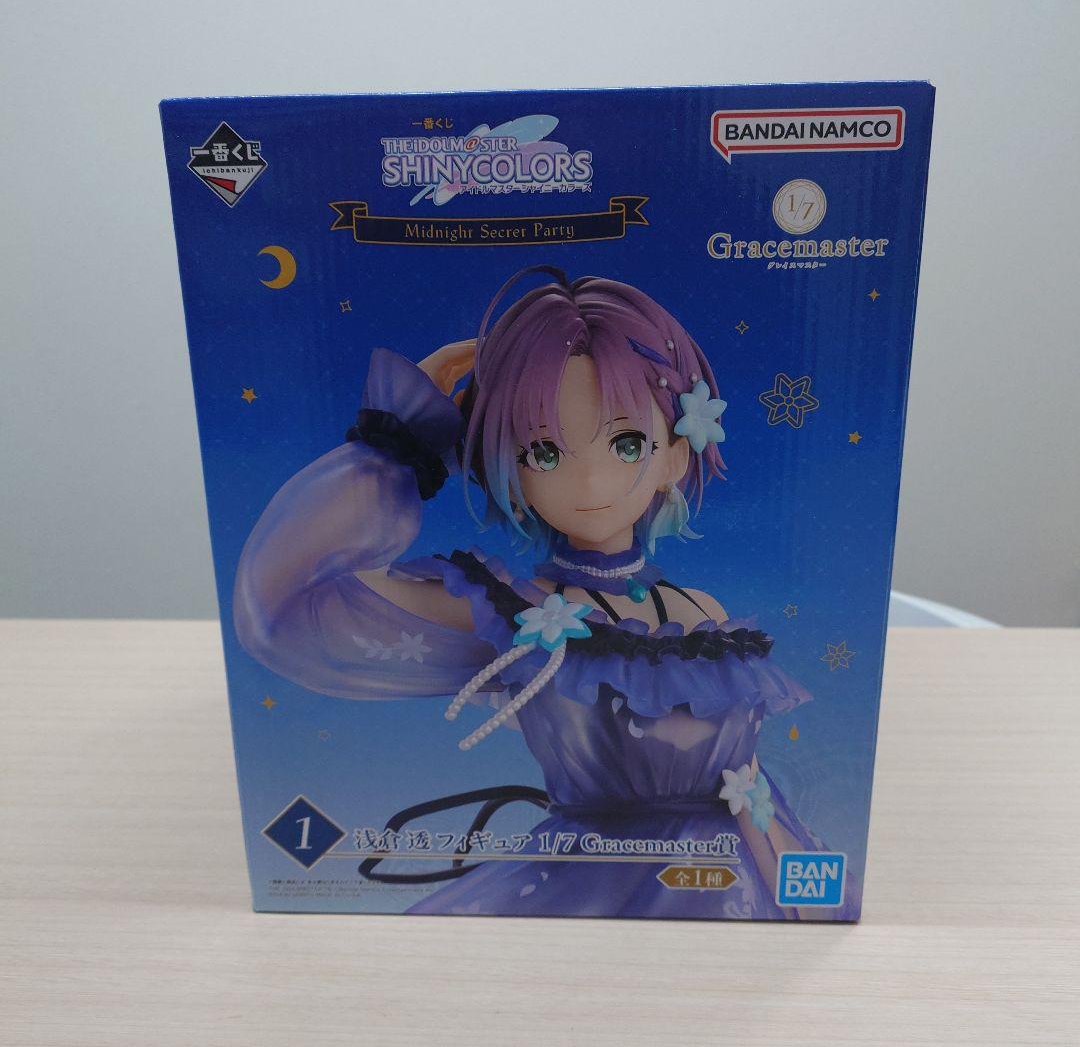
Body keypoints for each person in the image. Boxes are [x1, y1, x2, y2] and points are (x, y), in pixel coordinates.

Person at [233, 266, 858, 919]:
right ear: (506, 467)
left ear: (675, 455)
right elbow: (280, 603)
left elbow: (749, 789)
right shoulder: (514, 614)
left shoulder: (705, 618)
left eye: (626, 443)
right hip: (593, 892)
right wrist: (401, 441)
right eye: (545, 453)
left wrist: (805, 899)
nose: (590, 483)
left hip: (730, 895)